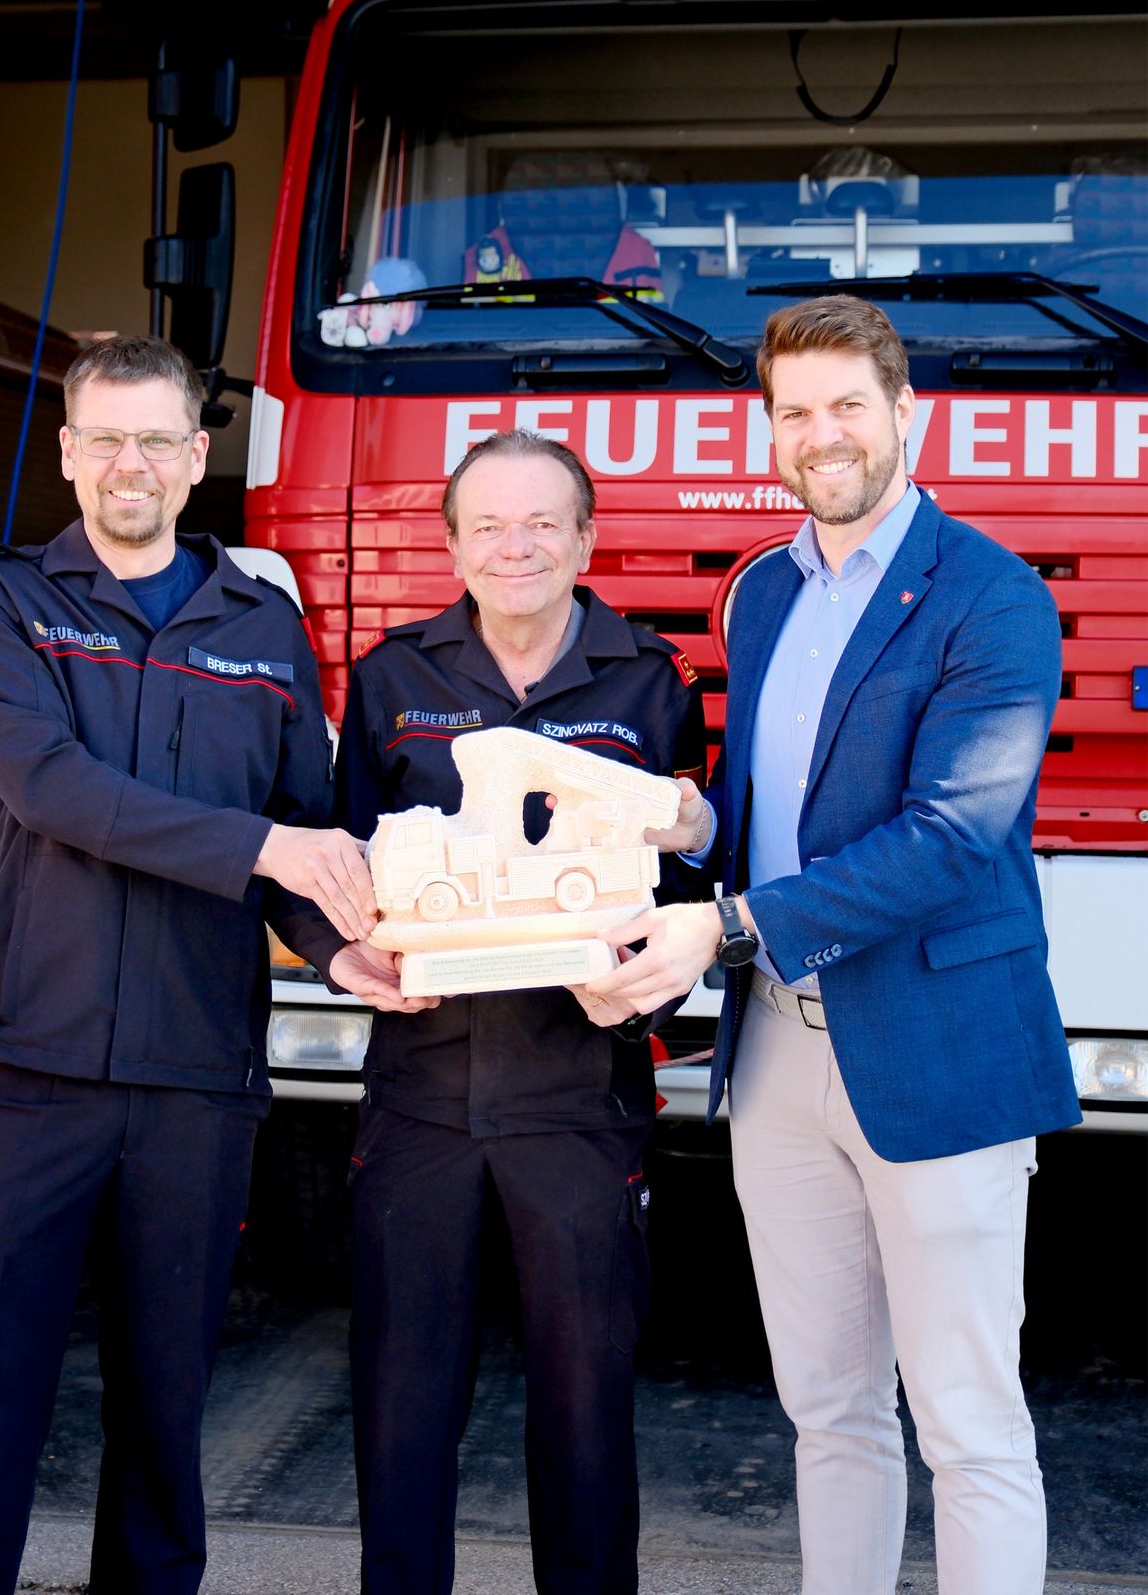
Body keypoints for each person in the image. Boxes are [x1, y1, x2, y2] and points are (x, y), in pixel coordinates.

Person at [0, 334, 424, 1595]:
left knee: (165, 1412)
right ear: (71, 453)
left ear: (199, 458)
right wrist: (273, 851)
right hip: (34, 1063)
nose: (128, 463)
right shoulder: (2, 599)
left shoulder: (263, 626)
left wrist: (340, 952)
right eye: (104, 439)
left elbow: (307, 832)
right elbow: (53, 790)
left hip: (198, 1075)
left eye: (156, 440)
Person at [588, 296, 1082, 1595]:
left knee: (968, 1427)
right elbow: (772, 813)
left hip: (935, 1050)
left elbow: (953, 839)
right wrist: (694, 824)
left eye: (846, 406)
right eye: (794, 413)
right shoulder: (759, 594)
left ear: (903, 413)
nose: (822, 436)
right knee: (828, 1414)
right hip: (777, 1068)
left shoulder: (991, 599)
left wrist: (729, 923)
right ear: (767, 430)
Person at [291, 429, 705, 1594]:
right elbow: (337, 870)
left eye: (541, 524)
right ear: (453, 545)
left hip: (579, 1100)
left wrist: (648, 962)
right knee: (402, 1407)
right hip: (419, 1096)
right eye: (488, 525)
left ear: (584, 538)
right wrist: (340, 961)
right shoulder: (391, 677)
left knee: (584, 1416)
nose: (514, 546)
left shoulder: (652, 681)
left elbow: (682, 895)